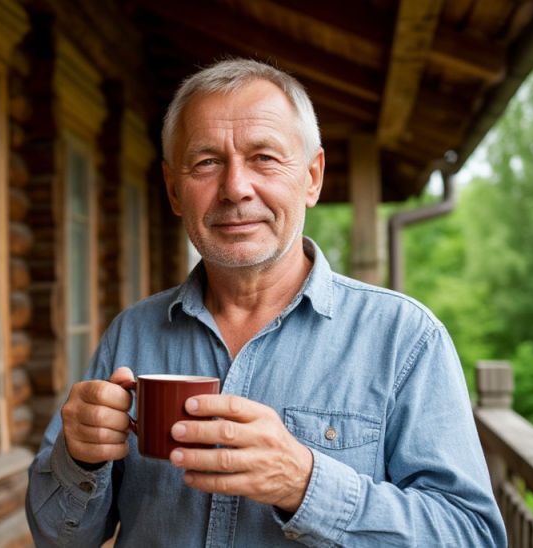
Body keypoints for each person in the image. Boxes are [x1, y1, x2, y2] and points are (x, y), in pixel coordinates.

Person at [25, 58, 507, 547]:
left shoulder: (404, 338)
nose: (235, 188)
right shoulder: (132, 333)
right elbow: (57, 537)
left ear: (312, 178)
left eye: (264, 158)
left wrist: (304, 484)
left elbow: (472, 535)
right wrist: (79, 458)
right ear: (174, 190)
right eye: (207, 162)